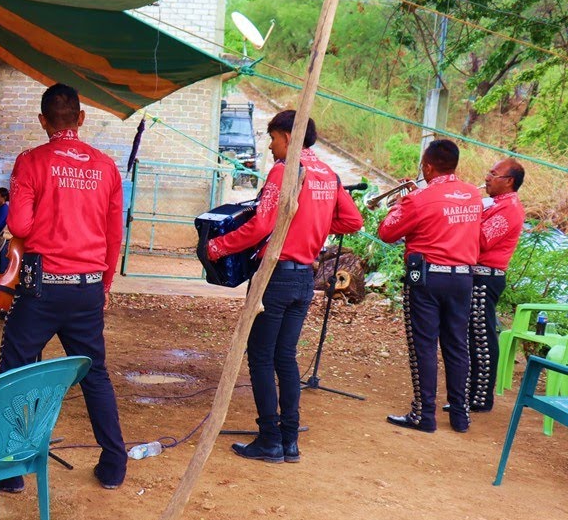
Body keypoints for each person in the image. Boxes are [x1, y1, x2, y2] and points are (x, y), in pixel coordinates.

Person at [205, 111, 363, 463]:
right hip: (305, 277)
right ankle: (290, 440)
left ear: (288, 137)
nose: (271, 145)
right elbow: (352, 220)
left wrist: (218, 246)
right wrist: (316, 223)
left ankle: (269, 439)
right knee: (285, 357)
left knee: (261, 357)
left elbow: (262, 224)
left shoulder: (284, 170)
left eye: (273, 137)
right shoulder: (328, 173)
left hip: (275, 276)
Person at [0, 83, 128, 492]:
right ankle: (114, 462)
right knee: (95, 374)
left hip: (43, 286)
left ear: (43, 121)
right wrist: (102, 285)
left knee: (15, 371)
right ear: (81, 119)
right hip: (87, 287)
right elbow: (113, 236)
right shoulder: (106, 167)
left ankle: (12, 470)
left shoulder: (32, 162)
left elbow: (18, 226)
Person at [378, 139, 483, 433]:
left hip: (427, 278)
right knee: (457, 345)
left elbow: (387, 232)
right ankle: (460, 416)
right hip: (463, 278)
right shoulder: (474, 195)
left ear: (427, 166)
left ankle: (424, 415)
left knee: (423, 346)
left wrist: (403, 202)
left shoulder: (419, 199)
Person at [467, 159, 526, 413]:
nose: (487, 177)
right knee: (473, 335)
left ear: (509, 181)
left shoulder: (509, 209)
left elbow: (481, 240)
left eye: (494, 174)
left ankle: (481, 398)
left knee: (482, 335)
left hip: (486, 276)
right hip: (479, 275)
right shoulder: (496, 204)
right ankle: (473, 393)